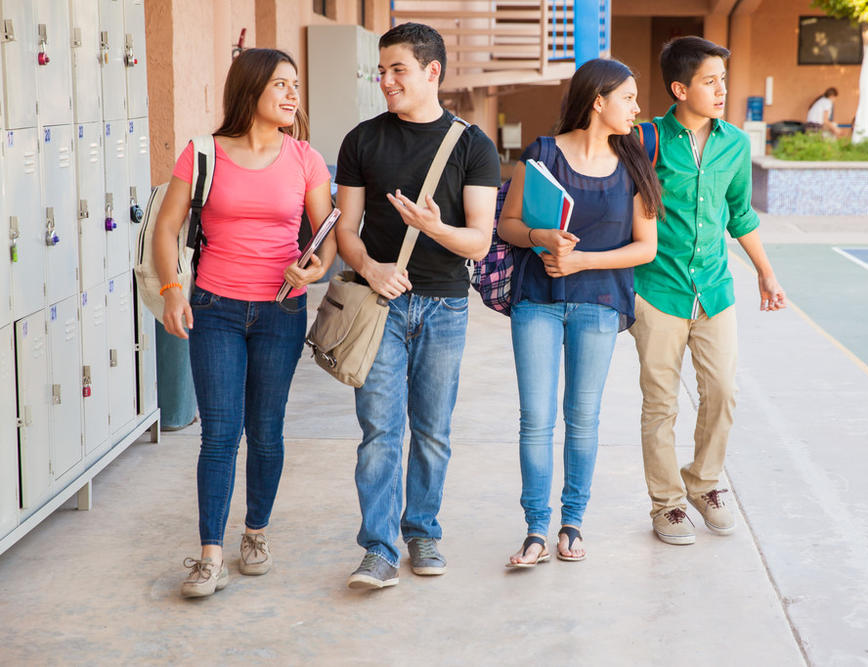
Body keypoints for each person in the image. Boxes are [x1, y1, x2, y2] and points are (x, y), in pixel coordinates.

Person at [153, 48, 335, 598]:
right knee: (220, 433)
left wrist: (313, 270)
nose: (291, 94)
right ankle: (210, 554)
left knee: (267, 430)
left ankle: (255, 532)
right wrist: (171, 290)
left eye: (295, 85)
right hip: (214, 308)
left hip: (281, 309)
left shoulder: (305, 157)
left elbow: (324, 241)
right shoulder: (202, 153)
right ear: (250, 89)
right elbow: (166, 229)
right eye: (280, 84)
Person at [334, 22, 500, 590]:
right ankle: (378, 549)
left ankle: (422, 529)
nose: (386, 81)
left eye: (397, 69)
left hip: (445, 306)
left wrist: (435, 227)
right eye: (381, 70)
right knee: (379, 430)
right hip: (379, 306)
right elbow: (346, 231)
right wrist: (371, 268)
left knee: (431, 430)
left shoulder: (473, 145)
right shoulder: (361, 140)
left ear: (432, 72)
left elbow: (479, 240)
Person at [498, 58, 659, 567]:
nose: (636, 108)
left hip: (599, 304)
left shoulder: (635, 165)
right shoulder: (543, 155)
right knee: (536, 419)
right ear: (598, 100)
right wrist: (538, 236)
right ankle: (535, 530)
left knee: (582, 419)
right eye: (628, 97)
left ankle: (572, 523)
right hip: (537, 303)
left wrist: (583, 260)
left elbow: (645, 248)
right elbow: (508, 225)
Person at [630, 36, 786, 546]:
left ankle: (703, 482)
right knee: (660, 403)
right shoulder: (645, 139)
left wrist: (764, 271)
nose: (722, 90)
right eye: (710, 81)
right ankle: (667, 504)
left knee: (722, 391)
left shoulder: (735, 144)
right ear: (680, 88)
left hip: (715, 289)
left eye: (724, 79)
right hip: (658, 289)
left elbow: (739, 214)